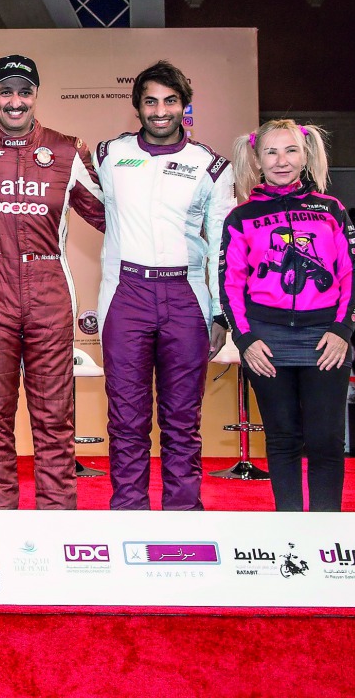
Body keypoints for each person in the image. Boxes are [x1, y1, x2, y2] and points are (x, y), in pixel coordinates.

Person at [0, 54, 105, 510]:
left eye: (24, 92)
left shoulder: (68, 150)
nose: (15, 102)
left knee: (55, 416)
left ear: (36, 95)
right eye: (6, 91)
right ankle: (0, 519)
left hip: (50, 294)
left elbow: (112, 217)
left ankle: (56, 521)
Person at [94, 60, 236, 511]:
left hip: (186, 296)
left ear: (183, 106)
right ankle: (129, 513)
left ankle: (183, 514)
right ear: (137, 106)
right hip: (126, 294)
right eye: (151, 101)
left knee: (182, 418)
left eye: (170, 101)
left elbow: (220, 244)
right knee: (127, 418)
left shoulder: (211, 166)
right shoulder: (109, 155)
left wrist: (219, 313)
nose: (160, 110)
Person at [220, 120, 355, 511]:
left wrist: (342, 330)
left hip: (326, 340)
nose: (281, 161)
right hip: (266, 342)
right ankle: (291, 531)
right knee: (282, 438)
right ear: (257, 159)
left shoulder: (330, 210)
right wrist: (246, 340)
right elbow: (230, 282)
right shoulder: (241, 217)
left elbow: (354, 271)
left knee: (325, 440)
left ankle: (324, 532)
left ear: (305, 156)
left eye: (290, 151)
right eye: (271, 152)